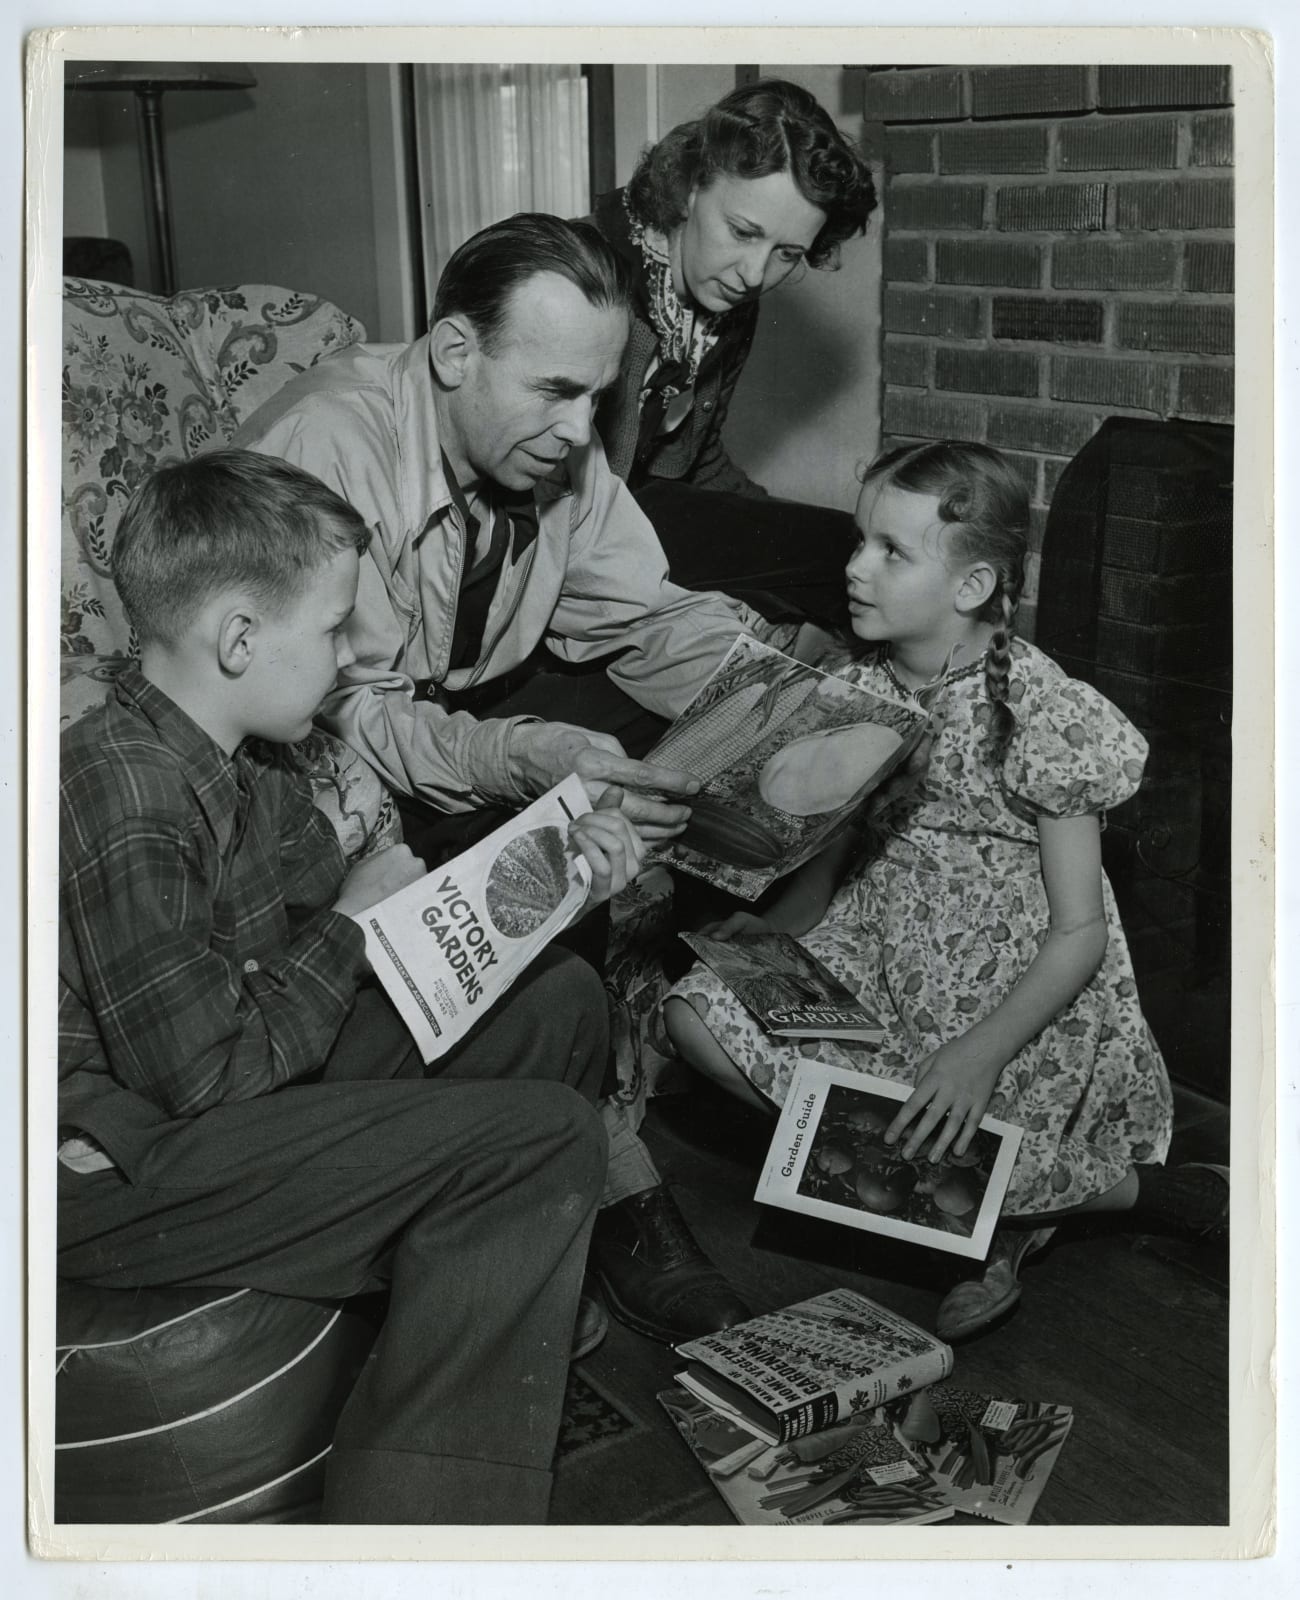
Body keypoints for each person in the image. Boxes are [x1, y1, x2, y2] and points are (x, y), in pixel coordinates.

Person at [57, 450, 650, 1524]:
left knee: (559, 995)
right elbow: (209, 1077)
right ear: (239, 638)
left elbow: (371, 919)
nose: (352, 655)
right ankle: (418, 1541)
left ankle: (444, 1334)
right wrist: (346, 920)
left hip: (205, 1084)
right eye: (332, 629)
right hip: (106, 1158)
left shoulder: (235, 758)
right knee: (546, 1136)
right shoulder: (122, 787)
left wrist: (558, 863)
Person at [233, 213, 759, 1343]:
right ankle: (607, 1197)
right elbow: (337, 708)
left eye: (597, 397)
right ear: (455, 353)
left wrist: (783, 684)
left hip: (446, 717)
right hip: (310, 746)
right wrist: (519, 758)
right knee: (550, 849)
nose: (580, 432)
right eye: (557, 391)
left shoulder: (554, 440)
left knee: (623, 784)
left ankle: (554, 1187)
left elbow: (639, 613)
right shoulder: (334, 442)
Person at [662, 440, 1229, 1341]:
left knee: (957, 1106)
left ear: (971, 588)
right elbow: (829, 855)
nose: (854, 568)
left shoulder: (1042, 711)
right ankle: (977, 1209)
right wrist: (769, 933)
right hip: (876, 936)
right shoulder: (857, 688)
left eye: (892, 551)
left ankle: (1128, 1197)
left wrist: (981, 1052)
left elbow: (1081, 930)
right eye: (859, 542)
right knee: (692, 1014)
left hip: (1011, 980)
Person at [587, 79, 877, 629]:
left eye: (787, 253)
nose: (754, 275)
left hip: (643, 512)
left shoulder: (724, 303)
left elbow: (700, 459)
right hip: (568, 535)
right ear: (691, 187)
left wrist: (773, 519)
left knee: (851, 552)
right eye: (743, 231)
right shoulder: (587, 271)